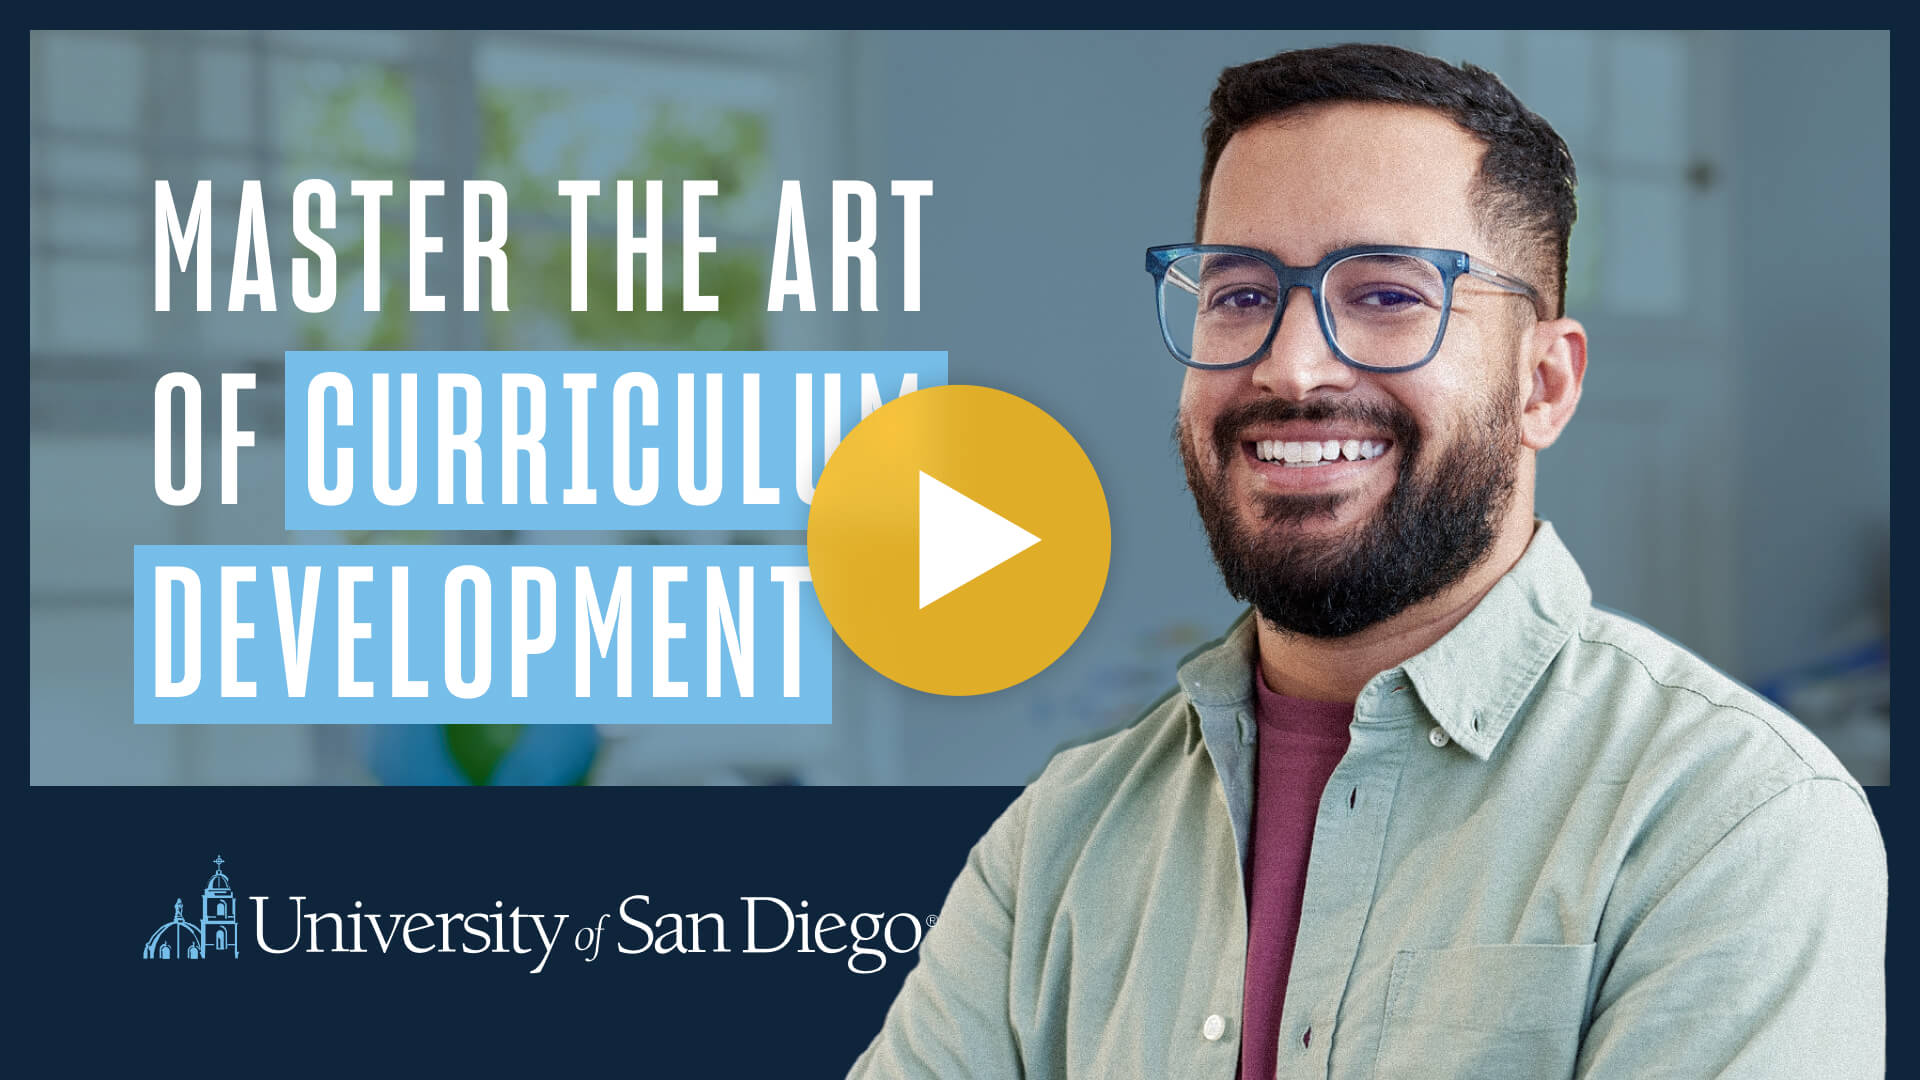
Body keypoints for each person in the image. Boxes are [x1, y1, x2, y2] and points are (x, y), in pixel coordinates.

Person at [847, 43, 1885, 1079]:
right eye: (1241, 295)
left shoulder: (1733, 821)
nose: (1291, 366)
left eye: (1387, 296)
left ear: (1544, 385)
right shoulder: (1054, 846)